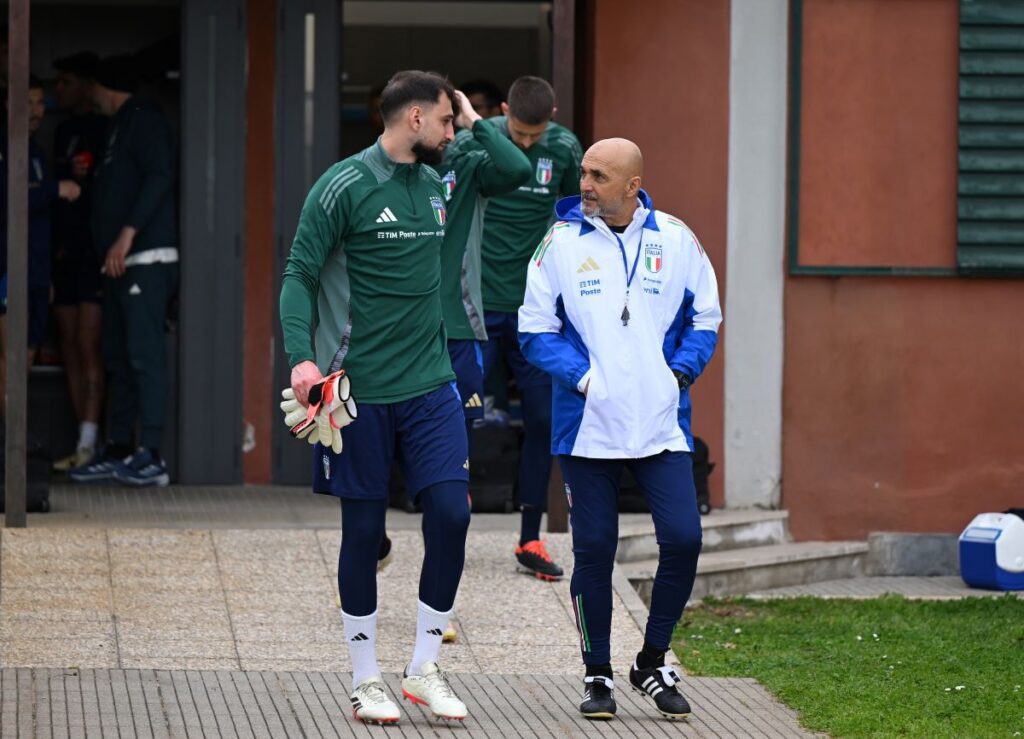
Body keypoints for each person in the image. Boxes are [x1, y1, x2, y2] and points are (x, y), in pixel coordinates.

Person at [279, 70, 471, 725]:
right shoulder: (344, 185)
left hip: (431, 385)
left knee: (451, 512)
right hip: (356, 392)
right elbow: (300, 273)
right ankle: (366, 677)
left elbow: (499, 159)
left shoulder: (442, 178)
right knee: (362, 531)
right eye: (446, 119)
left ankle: (423, 667)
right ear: (413, 118)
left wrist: (469, 122)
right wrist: (302, 359)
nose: (454, 131)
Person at [518, 138, 721, 720]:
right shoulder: (559, 241)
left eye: (598, 176)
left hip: (661, 426)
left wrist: (679, 373)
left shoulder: (675, 239)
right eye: (583, 172)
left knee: (684, 537)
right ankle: (598, 673)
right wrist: (583, 380)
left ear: (633, 186)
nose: (584, 183)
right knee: (595, 550)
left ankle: (652, 661)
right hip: (588, 429)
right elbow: (534, 330)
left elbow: (705, 316)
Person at [478, 76, 582, 580]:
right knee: (448, 418)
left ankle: (530, 538)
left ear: (552, 117)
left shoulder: (563, 147)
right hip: (476, 307)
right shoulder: (482, 140)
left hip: (534, 313)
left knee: (542, 421)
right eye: (517, 133)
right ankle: (442, 526)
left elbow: (571, 221)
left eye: (533, 136)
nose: (524, 144)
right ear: (502, 113)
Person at [68, 54, 178, 487]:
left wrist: (127, 234)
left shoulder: (146, 118)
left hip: (146, 259)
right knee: (117, 356)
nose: (89, 95)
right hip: (116, 264)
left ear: (104, 86)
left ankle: (151, 455)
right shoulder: (119, 124)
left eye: (92, 86)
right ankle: (117, 449)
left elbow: (159, 177)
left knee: (143, 356)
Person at [0, 76, 81, 415]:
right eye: (27, 102)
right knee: (10, 355)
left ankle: (13, 439)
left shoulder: (35, 150)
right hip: (7, 268)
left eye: (39, 103)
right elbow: (8, 200)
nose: (35, 111)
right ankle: (7, 449)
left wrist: (45, 274)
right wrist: (54, 189)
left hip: (35, 270)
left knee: (28, 353)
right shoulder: (6, 146)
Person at [50, 52, 108, 471]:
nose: (59, 90)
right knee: (69, 345)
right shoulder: (64, 130)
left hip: (96, 254)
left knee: (89, 345)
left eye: (67, 82)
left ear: (88, 85)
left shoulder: (107, 130)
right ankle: (81, 441)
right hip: (63, 254)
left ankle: (92, 440)